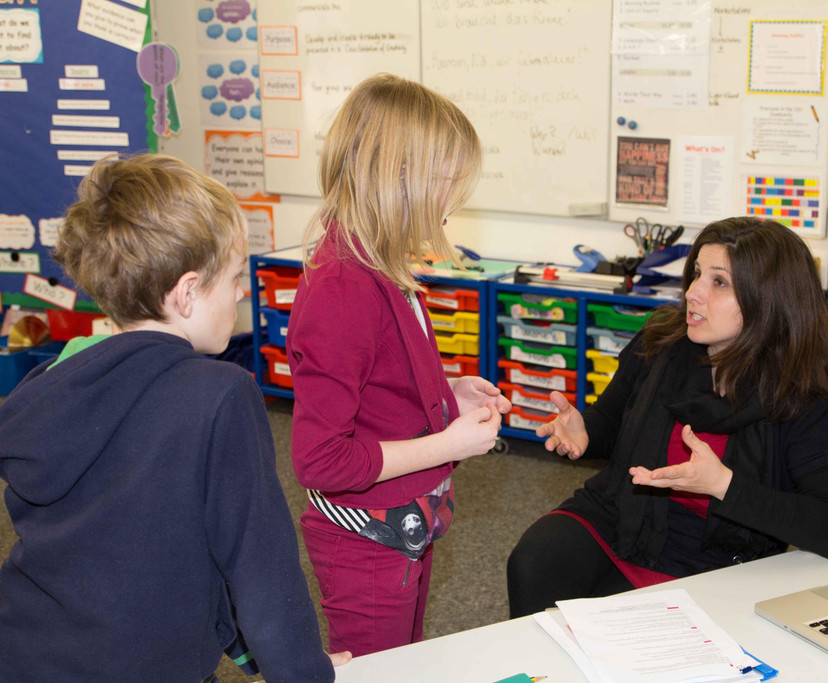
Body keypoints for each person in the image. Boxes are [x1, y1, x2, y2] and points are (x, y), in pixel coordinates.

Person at [0, 154, 350, 682]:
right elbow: (259, 568)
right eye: (234, 277)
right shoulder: (221, 394)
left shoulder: (51, 378)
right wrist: (303, 671)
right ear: (187, 293)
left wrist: (251, 654)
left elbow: (165, 546)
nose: (241, 291)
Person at [506, 217, 828, 618]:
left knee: (626, 623)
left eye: (719, 282)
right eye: (697, 274)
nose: (693, 292)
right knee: (534, 562)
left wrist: (722, 484)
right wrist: (585, 430)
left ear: (768, 300)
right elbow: (611, 422)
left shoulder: (807, 398)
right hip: (624, 513)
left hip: (719, 552)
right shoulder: (660, 345)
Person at [287, 73, 510, 657]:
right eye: (447, 182)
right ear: (398, 177)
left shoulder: (381, 266)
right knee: (378, 667)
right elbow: (321, 460)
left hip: (404, 520)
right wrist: (446, 444)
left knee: (404, 660)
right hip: (366, 538)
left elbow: (378, 383)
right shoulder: (343, 288)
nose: (453, 200)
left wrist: (446, 393)